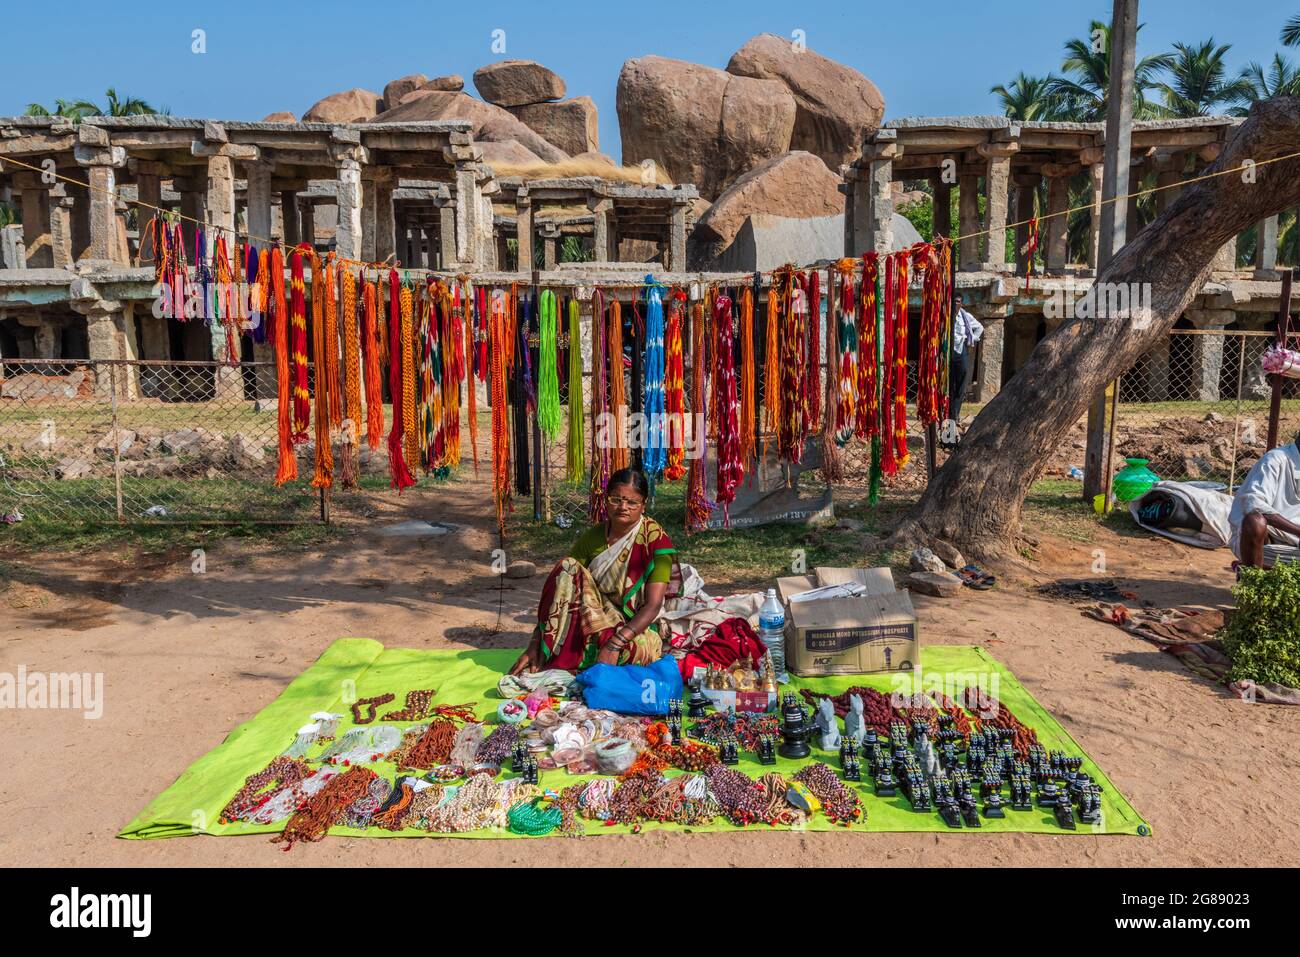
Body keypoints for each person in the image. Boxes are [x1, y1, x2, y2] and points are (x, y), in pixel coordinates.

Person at [510, 468, 677, 675]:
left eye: (632, 502)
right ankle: (568, 653)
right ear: (606, 500)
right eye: (616, 499)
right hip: (596, 616)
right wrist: (536, 642)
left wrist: (615, 644)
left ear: (643, 505)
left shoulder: (655, 541)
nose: (623, 507)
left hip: (635, 624)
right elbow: (562, 586)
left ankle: (582, 655)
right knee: (566, 566)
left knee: (633, 652)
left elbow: (653, 605)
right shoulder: (594, 537)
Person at [1229, 431, 1300, 568]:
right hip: (1266, 537)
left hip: (1295, 540)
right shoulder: (1276, 459)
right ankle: (1253, 577)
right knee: (1255, 521)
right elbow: (1254, 504)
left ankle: (1265, 570)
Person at [947, 293, 984, 427]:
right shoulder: (945, 316)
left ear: (961, 303)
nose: (956, 304)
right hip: (947, 352)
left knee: (961, 382)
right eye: (954, 301)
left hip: (961, 350)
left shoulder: (965, 316)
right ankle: (947, 413)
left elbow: (979, 327)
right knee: (948, 383)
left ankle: (955, 413)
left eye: (958, 301)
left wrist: (971, 339)